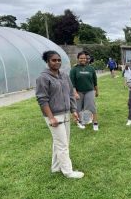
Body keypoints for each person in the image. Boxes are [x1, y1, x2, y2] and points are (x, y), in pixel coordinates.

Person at [35, 50, 84, 179]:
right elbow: (42, 99)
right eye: (54, 60)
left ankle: (56, 167)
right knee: (62, 144)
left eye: (59, 60)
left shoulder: (64, 75)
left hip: (66, 113)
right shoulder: (43, 78)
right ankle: (68, 172)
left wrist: (74, 111)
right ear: (47, 61)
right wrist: (51, 117)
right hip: (54, 116)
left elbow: (70, 94)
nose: (57, 62)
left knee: (61, 142)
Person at [70, 51, 99, 131]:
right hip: (78, 91)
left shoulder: (91, 68)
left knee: (91, 107)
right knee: (78, 108)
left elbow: (95, 81)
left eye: (84, 58)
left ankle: (95, 122)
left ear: (87, 59)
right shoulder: (74, 69)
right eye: (81, 58)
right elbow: (72, 83)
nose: (83, 59)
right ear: (78, 59)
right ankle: (79, 122)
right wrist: (75, 93)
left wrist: (97, 90)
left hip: (89, 90)